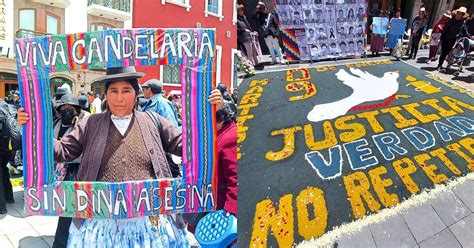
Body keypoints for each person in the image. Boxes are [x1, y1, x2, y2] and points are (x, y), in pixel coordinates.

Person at [17, 66, 223, 247]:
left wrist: (209, 112)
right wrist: (32, 127)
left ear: (136, 94)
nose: (120, 97)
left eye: (126, 90)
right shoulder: (90, 123)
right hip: (100, 222)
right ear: (106, 94)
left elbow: (190, 147)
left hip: (149, 223)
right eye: (113, 91)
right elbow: (61, 152)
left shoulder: (153, 120)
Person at [52, 94, 90, 248]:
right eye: (63, 107)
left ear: (76, 108)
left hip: (79, 169)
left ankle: (64, 242)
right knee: (65, 207)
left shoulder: (84, 123)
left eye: (69, 107)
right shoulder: (56, 123)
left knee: (73, 207)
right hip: (60, 169)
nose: (66, 110)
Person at [215, 103, 237, 218]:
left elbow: (235, 176)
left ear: (222, 120)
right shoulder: (221, 133)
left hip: (223, 207)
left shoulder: (231, 138)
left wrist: (231, 207)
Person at [0, 100, 21, 214]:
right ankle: (9, 198)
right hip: (8, 147)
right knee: (4, 170)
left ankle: (1, 207)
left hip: (1, 146)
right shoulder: (6, 106)